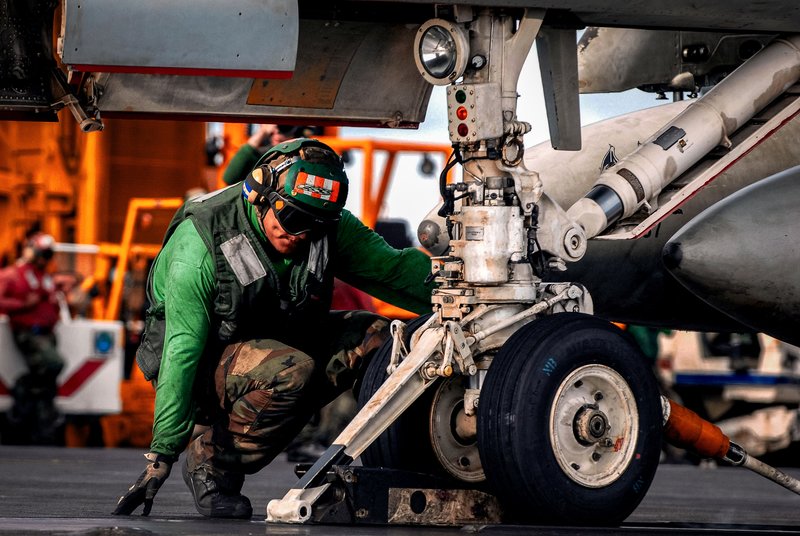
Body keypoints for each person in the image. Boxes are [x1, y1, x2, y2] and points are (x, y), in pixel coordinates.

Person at [112, 138, 434, 519]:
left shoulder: (323, 227)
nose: (300, 235)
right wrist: (161, 455)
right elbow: (182, 348)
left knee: (378, 337)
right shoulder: (200, 244)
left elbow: (397, 272)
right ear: (259, 196)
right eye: (293, 219)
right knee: (292, 370)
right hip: (204, 365)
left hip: (277, 346)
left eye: (315, 226)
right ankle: (211, 461)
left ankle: (405, 456)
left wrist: (473, 292)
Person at [0, 233, 65, 444]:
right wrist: (23, 306)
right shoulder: (12, 275)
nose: (45, 259)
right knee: (54, 364)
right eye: (43, 254)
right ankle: (21, 391)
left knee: (47, 386)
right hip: (30, 334)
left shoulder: (44, 277)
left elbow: (52, 300)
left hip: (47, 335)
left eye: (48, 254)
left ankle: (38, 427)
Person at [222, 124, 321, 185]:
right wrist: (263, 131)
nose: (277, 131)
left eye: (284, 127)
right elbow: (230, 178)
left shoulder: (307, 157)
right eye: (275, 127)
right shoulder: (263, 156)